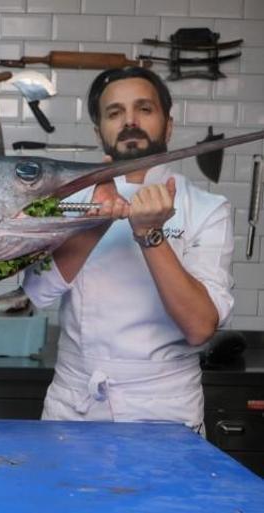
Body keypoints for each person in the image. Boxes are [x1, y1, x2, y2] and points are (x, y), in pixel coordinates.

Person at [22, 67, 234, 433]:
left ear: (168, 125)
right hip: (75, 405)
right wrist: (98, 217)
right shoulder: (68, 201)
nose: (129, 121)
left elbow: (200, 327)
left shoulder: (207, 208)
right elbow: (37, 292)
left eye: (144, 109)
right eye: (114, 113)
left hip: (163, 408)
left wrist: (150, 232)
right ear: (99, 131)